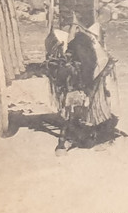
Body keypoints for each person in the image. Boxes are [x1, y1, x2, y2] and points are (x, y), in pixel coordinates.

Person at [44, 20, 119, 154]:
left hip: (90, 68)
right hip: (75, 66)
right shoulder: (67, 56)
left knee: (95, 99)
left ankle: (103, 136)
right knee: (71, 100)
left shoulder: (95, 59)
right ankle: (66, 138)